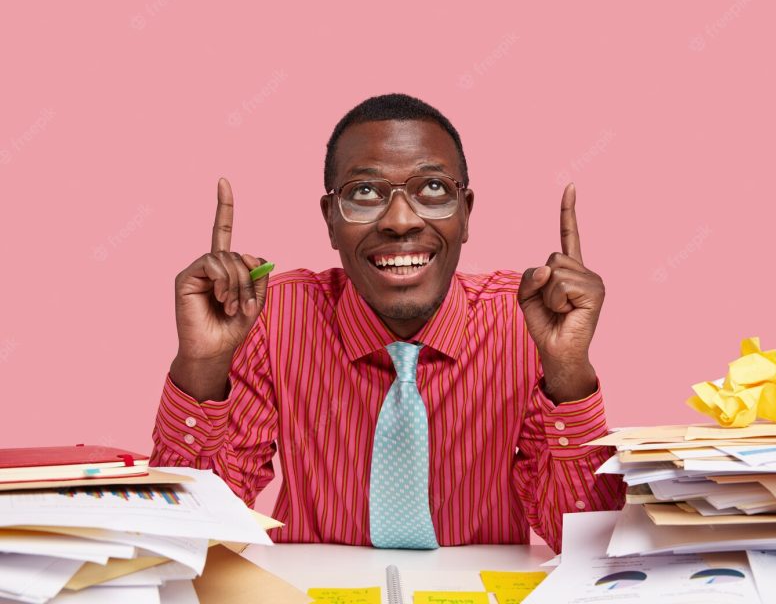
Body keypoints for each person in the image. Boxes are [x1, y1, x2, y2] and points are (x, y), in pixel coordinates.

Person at [150, 93, 625, 551]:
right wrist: (202, 364)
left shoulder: (526, 320)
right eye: (364, 192)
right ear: (331, 220)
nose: (400, 220)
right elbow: (192, 536)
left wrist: (568, 371)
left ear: (466, 214)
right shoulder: (274, 315)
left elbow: (587, 544)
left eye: (433, 188)